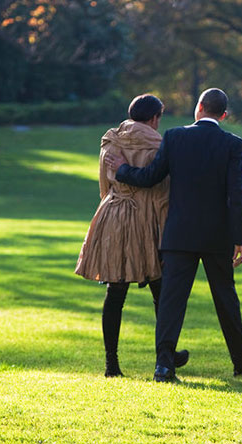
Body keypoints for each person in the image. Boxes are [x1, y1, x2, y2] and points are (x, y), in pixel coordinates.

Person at [105, 88, 242, 382]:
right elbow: (236, 195)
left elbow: (152, 176)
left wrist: (123, 170)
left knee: (171, 301)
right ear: (224, 115)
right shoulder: (233, 144)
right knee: (225, 298)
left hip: (179, 233)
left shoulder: (175, 137)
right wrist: (241, 238)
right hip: (218, 236)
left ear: (199, 107)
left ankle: (164, 365)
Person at [75, 94, 188, 377]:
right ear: (153, 118)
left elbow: (104, 184)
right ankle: (166, 357)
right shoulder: (158, 144)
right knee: (160, 290)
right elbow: (163, 192)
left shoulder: (110, 140)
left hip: (112, 216)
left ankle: (111, 364)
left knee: (115, 292)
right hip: (145, 219)